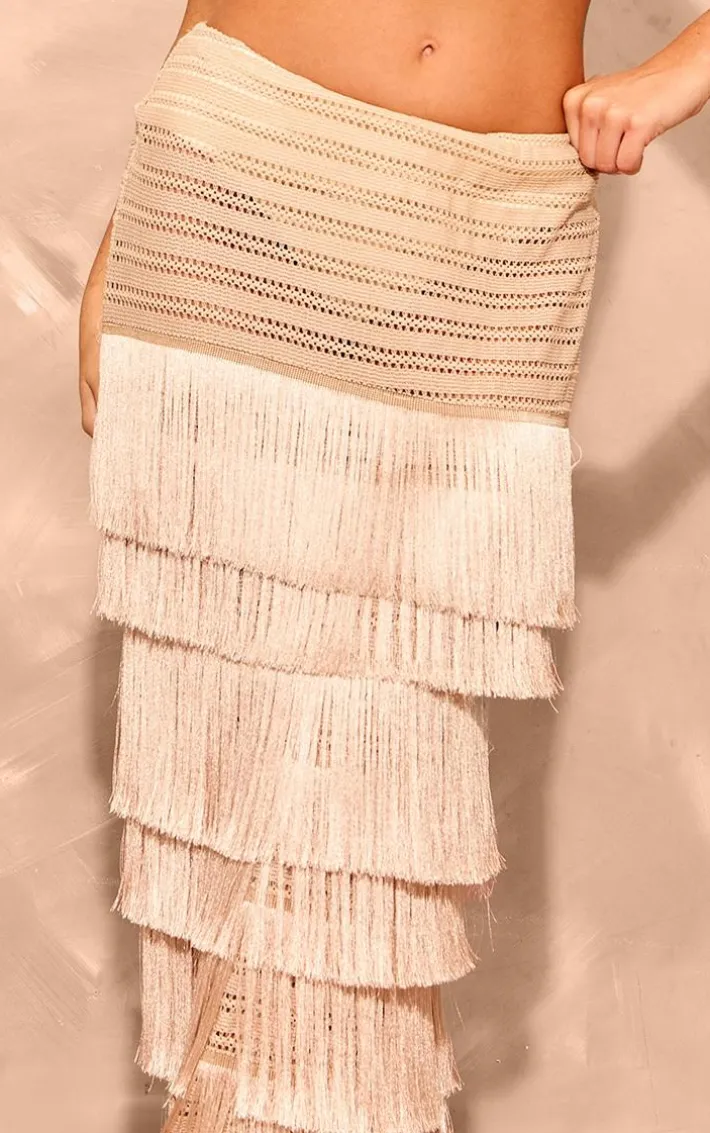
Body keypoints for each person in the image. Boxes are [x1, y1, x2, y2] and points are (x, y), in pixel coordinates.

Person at [78, 6, 710, 1133]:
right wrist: (121, 241)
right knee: (237, 784)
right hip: (237, 178)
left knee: (359, 817)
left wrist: (686, 66)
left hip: (483, 234)